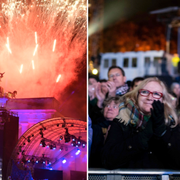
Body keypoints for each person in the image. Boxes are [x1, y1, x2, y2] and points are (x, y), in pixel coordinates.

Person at [101, 77, 180, 170]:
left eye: (156, 94)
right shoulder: (122, 120)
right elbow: (108, 161)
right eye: (145, 92)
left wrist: (162, 133)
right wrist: (142, 137)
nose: (150, 97)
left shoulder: (171, 124)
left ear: (163, 100)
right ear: (137, 95)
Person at [89, 96, 122, 168]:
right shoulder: (94, 127)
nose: (110, 108)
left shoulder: (123, 130)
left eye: (115, 107)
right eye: (107, 105)